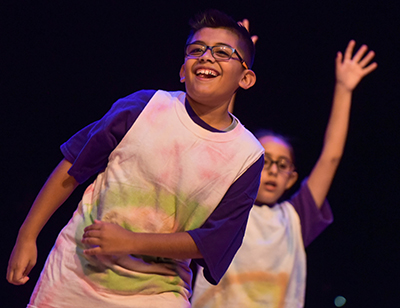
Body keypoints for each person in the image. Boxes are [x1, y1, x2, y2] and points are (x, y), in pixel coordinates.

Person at [6, 9, 265, 308]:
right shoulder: (143, 107)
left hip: (158, 292)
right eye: (197, 50)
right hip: (76, 275)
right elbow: (73, 166)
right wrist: (27, 235)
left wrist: (131, 242)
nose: (206, 57)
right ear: (183, 70)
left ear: (245, 78)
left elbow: (211, 240)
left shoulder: (246, 155)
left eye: (222, 52)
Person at [191, 40, 377, 308]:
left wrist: (344, 89)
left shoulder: (296, 218)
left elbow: (331, 157)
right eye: (265, 162)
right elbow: (223, 141)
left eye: (282, 165)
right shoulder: (222, 207)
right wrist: (235, 66)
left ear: (291, 177)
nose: (273, 171)